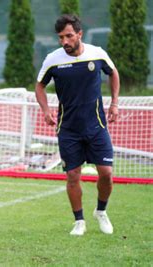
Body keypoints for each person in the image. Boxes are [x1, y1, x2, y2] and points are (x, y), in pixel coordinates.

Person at [35, 14, 120, 236]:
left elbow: (113, 73)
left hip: (97, 125)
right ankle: (79, 221)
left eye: (69, 36)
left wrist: (115, 104)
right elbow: (39, 86)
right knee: (72, 175)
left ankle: (101, 211)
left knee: (107, 173)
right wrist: (45, 110)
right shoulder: (53, 59)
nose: (65, 41)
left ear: (79, 34)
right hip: (68, 129)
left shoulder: (97, 54)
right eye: (61, 37)